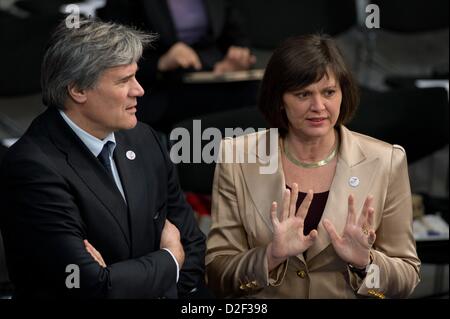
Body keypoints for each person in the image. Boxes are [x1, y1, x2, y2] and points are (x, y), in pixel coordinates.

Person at [0, 19, 206, 299]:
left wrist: (124, 278)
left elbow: (192, 245)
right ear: (78, 90)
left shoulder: (145, 139)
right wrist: (170, 258)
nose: (139, 90)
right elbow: (88, 285)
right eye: (123, 80)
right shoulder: (32, 167)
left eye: (135, 76)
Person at [205, 34, 421, 298]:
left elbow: (407, 276)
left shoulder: (387, 160)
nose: (318, 106)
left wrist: (365, 264)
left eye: (329, 92)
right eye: (303, 94)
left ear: (343, 93)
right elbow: (216, 274)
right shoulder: (237, 157)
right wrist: (270, 257)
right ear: (279, 99)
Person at [98, 0, 258, 131]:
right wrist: (161, 62)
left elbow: (237, 35)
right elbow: (112, 53)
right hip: (159, 84)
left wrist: (237, 59)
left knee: (259, 93)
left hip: (211, 75)